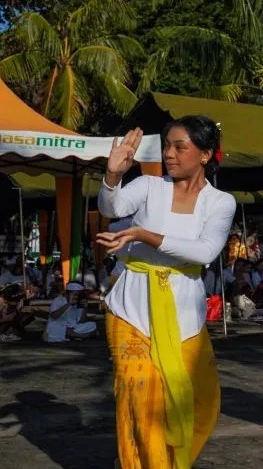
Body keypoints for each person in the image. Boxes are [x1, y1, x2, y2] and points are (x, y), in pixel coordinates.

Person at [95, 118, 236, 469]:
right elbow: (111, 209)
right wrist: (112, 176)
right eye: (166, 146)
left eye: (179, 147)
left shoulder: (220, 202)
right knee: (143, 402)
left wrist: (144, 235)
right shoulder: (149, 185)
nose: (169, 154)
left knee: (204, 402)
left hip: (185, 315)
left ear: (205, 155)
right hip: (131, 309)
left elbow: (205, 251)